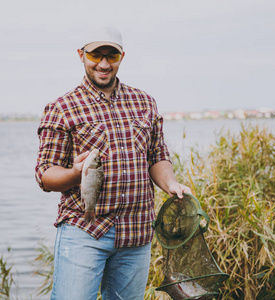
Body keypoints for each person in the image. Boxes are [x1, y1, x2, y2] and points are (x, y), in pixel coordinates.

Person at [35, 26, 191, 300]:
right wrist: (75, 172)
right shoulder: (61, 107)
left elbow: (157, 157)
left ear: (122, 56)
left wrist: (171, 184)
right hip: (85, 231)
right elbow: (46, 175)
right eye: (96, 56)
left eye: (112, 56)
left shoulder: (144, 102)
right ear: (81, 55)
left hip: (137, 232)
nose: (104, 64)